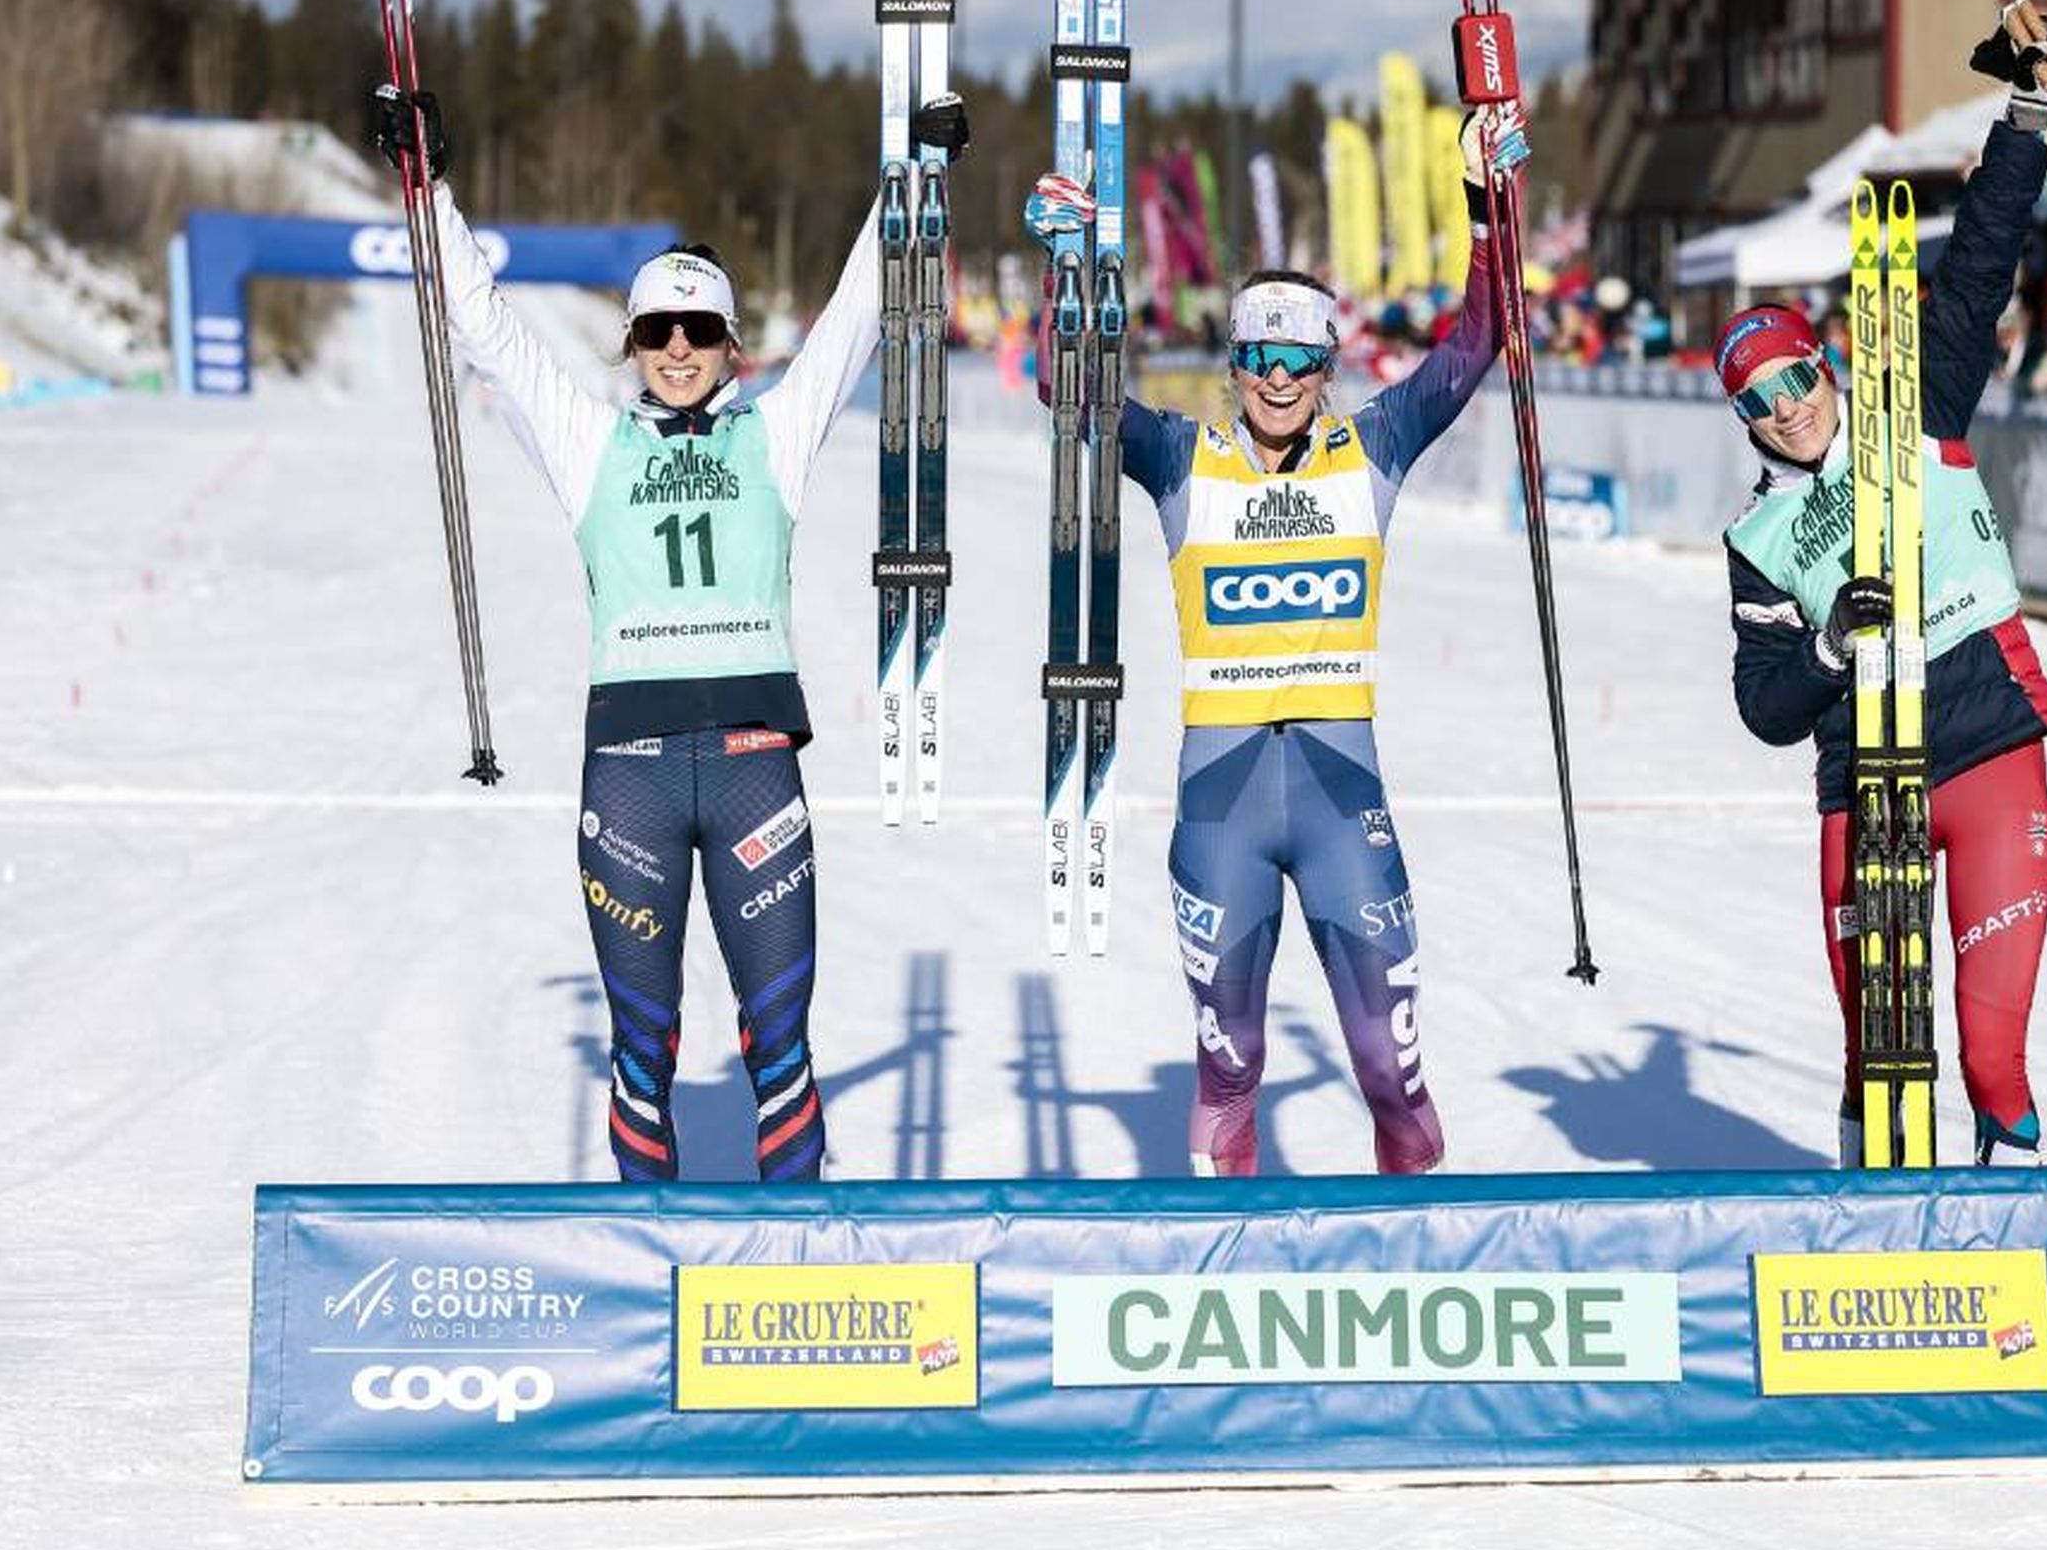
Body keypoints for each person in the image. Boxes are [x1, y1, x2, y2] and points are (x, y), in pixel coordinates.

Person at [370, 82, 951, 1184]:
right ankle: (651, 1284)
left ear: (732, 345)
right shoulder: (586, 440)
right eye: (655, 331)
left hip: (752, 774)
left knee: (780, 1048)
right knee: (643, 1054)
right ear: (632, 343)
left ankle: (797, 1281)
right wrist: (426, 189)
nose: (677, 349)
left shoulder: (776, 433)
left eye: (699, 331)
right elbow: (483, 324)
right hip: (629, 777)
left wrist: (917, 180)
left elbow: (857, 315)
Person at [1020, 106, 1525, 1178]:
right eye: (1260, 355)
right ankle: (1234, 1287)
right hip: (1222, 810)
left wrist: (1488, 207)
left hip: (1344, 800)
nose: (1280, 378)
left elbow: (1477, 344)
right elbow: (1071, 390)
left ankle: (1407, 1256)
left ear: (1329, 363)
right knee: (1230, 1071)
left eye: (1301, 356)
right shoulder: (1182, 460)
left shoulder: (1372, 446)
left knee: (1393, 1082)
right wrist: (1064, 275)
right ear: (1234, 361)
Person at [1721, 17, 2047, 1169]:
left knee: (1988, 1054)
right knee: (1881, 1050)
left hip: (1988, 739)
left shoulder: (1912, 402)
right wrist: (1827, 648)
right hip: (1862, 785)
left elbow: (1980, 266)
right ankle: (1879, 1244)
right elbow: (1764, 708)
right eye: (1760, 401)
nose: (1789, 407)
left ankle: (2003, 1242)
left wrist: (2025, 120)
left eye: (1797, 378)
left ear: (1829, 361)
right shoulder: (1758, 536)